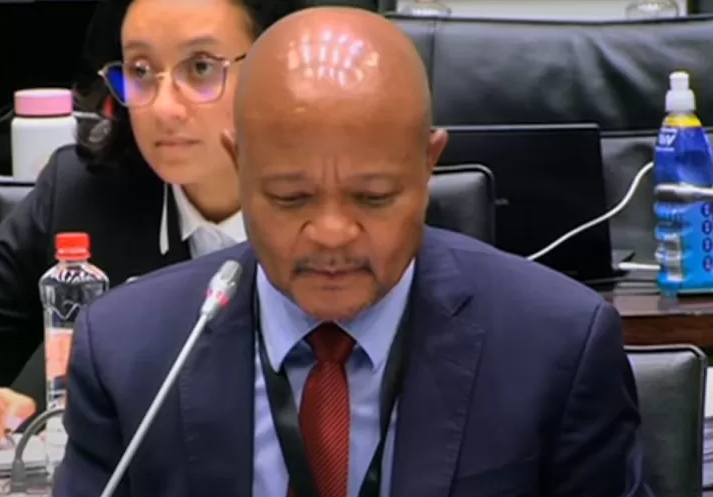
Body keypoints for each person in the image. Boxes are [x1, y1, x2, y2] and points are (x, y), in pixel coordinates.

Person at [55, 7, 652, 497]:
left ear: (427, 167)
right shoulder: (130, 350)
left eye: (373, 197)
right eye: (291, 198)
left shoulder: (555, 347)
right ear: (240, 165)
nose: (332, 233)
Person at [0, 0, 306, 451]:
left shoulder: (337, 212)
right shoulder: (80, 194)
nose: (163, 108)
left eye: (200, 67)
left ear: (276, 68)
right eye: (140, 71)